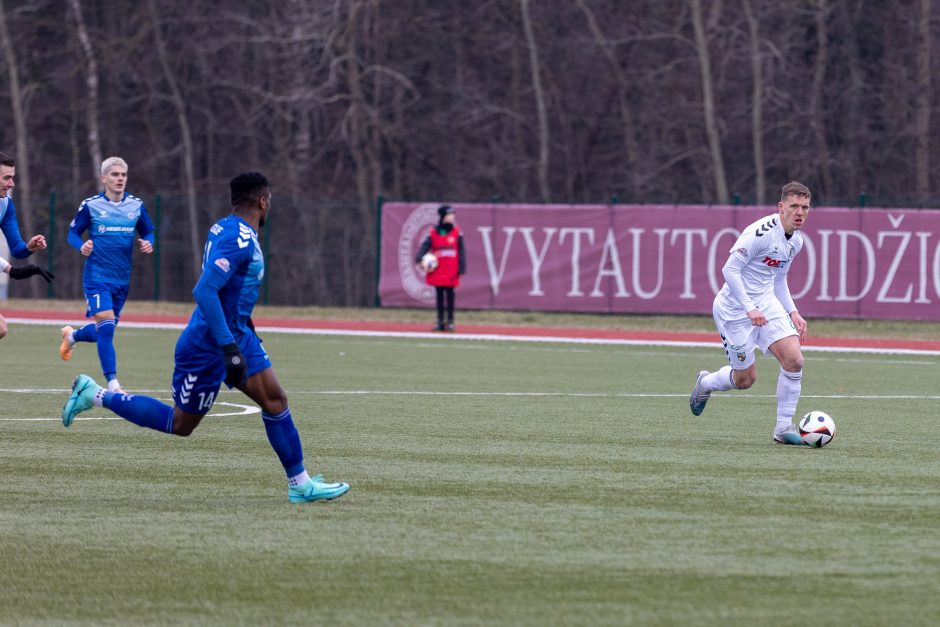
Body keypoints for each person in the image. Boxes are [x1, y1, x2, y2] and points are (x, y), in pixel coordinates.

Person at [61, 172, 350, 504]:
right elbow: (205, 290)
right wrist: (228, 346)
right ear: (262, 201)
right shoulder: (237, 238)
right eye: (269, 200)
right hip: (207, 346)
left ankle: (300, 484)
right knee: (180, 423)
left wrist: (243, 333)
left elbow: (231, 292)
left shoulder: (227, 227)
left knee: (275, 401)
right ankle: (95, 395)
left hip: (237, 336)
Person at [689, 181, 811, 445]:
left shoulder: (796, 242)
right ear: (781, 207)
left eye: (805, 207)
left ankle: (783, 427)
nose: (799, 212)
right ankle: (707, 382)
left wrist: (793, 311)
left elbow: (778, 279)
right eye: (794, 206)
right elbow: (729, 271)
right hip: (734, 309)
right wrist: (749, 308)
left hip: (766, 303)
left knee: (795, 361)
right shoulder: (761, 232)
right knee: (745, 379)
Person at [58, 157, 154, 394]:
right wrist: (81, 246)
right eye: (114, 175)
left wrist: (148, 243)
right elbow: (72, 233)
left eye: (123, 174)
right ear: (104, 179)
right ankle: (113, 383)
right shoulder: (91, 206)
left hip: (122, 279)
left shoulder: (136, 205)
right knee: (108, 327)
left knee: (104, 329)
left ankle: (73, 336)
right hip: (96, 276)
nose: (120, 178)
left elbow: (148, 230)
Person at [1, 151, 51, 338]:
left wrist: (29, 247)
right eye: (7, 178)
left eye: (12, 178)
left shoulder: (5, 206)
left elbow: (17, 249)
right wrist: (7, 269)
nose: (12, 184)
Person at [415, 205, 466, 331]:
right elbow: (425, 246)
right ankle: (440, 321)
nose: (452, 217)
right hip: (438, 269)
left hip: (451, 269)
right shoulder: (433, 233)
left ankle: (450, 321)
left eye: (453, 214)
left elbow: (461, 251)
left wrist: (462, 267)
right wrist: (419, 258)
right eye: (449, 214)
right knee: (439, 295)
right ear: (443, 216)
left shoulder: (456, 232)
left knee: (450, 295)